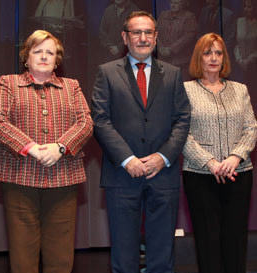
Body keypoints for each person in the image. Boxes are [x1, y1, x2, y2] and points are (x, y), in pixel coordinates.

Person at [92, 11, 190, 273]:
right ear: (125, 37)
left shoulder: (173, 73)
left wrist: (163, 156)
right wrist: (127, 159)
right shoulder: (106, 73)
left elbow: (182, 119)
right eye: (137, 32)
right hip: (121, 174)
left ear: (156, 38)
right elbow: (100, 120)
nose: (143, 38)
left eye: (149, 32)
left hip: (163, 173)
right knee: (124, 256)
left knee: (162, 255)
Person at [0, 30, 93, 273]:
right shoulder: (9, 83)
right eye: (38, 51)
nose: (44, 57)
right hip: (19, 179)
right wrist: (31, 147)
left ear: (57, 60)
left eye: (50, 52)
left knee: (60, 254)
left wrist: (60, 147)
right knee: (22, 254)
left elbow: (85, 123)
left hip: (63, 178)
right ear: (27, 57)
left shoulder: (72, 86)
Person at [182, 32, 257, 273]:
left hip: (239, 174)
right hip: (200, 176)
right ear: (198, 58)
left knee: (235, 241)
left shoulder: (240, 89)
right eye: (207, 53)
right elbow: (181, 134)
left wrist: (235, 157)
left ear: (224, 57)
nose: (213, 58)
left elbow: (251, 128)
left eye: (218, 52)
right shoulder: (185, 90)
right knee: (208, 241)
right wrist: (211, 162)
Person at [157, 0, 197, 80]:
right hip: (163, 59)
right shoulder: (163, 15)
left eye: (176, 3)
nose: (173, 5)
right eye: (171, 3)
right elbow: (155, 33)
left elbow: (189, 37)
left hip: (181, 61)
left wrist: (171, 49)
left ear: (182, 4)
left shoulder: (189, 17)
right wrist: (160, 47)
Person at [234, 0, 257, 92]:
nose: (247, 9)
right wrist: (239, 59)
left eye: (250, 6)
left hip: (254, 66)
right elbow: (236, 44)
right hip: (240, 66)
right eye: (245, 7)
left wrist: (249, 60)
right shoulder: (239, 21)